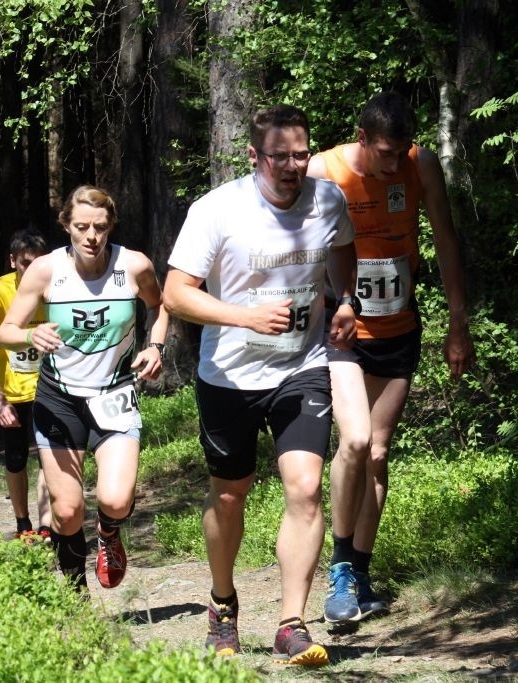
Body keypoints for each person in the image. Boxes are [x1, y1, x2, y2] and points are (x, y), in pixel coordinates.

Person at [163, 104, 358, 667]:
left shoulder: (327, 200)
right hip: (228, 374)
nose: (294, 166)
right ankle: (223, 605)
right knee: (230, 494)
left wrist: (344, 300)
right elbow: (177, 293)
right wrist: (243, 317)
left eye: (301, 154)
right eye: (281, 157)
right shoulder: (217, 211)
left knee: (304, 487)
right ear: (254, 156)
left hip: (301, 366)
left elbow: (343, 249)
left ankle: (291, 623)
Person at [307, 91, 475, 624]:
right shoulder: (323, 170)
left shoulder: (420, 164)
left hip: (399, 324)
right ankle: (337, 569)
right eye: (384, 152)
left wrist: (457, 322)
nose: (393, 162)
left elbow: (445, 239)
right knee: (355, 442)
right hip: (342, 331)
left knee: (377, 452)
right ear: (362, 139)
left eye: (400, 151)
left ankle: (359, 571)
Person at [0, 186, 168, 591]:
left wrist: (156, 347)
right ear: (66, 226)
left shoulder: (135, 265)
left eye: (101, 227)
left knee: (115, 499)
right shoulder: (45, 270)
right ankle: (76, 596)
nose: (92, 236)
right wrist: (30, 336)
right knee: (68, 510)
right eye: (82, 227)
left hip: (114, 393)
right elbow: (5, 332)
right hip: (59, 398)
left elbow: (160, 307)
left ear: (111, 226)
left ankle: (109, 533)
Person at [0, 230, 53, 539]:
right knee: (16, 458)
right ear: (12, 261)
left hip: (49, 388)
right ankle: (23, 524)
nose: (31, 269)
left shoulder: (57, 287)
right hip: (12, 392)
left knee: (49, 456)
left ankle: (47, 524)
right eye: (24, 263)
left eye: (37, 263)